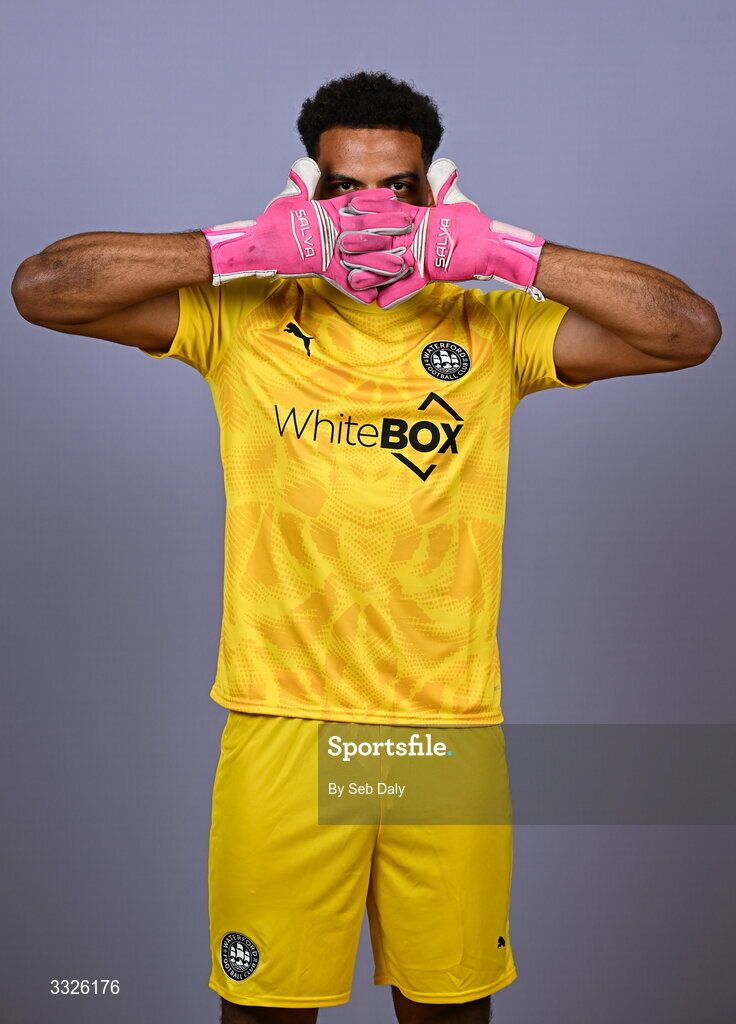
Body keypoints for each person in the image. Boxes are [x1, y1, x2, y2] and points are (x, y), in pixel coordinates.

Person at [11, 70, 721, 1024]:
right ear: (308, 191)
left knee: (450, 1011)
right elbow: (43, 290)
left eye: (400, 190)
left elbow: (688, 331)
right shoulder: (245, 317)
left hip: (445, 730)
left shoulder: (492, 326)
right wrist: (239, 248)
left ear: (438, 195)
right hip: (285, 725)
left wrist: (508, 252)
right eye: (344, 191)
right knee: (264, 1011)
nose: (372, 212)